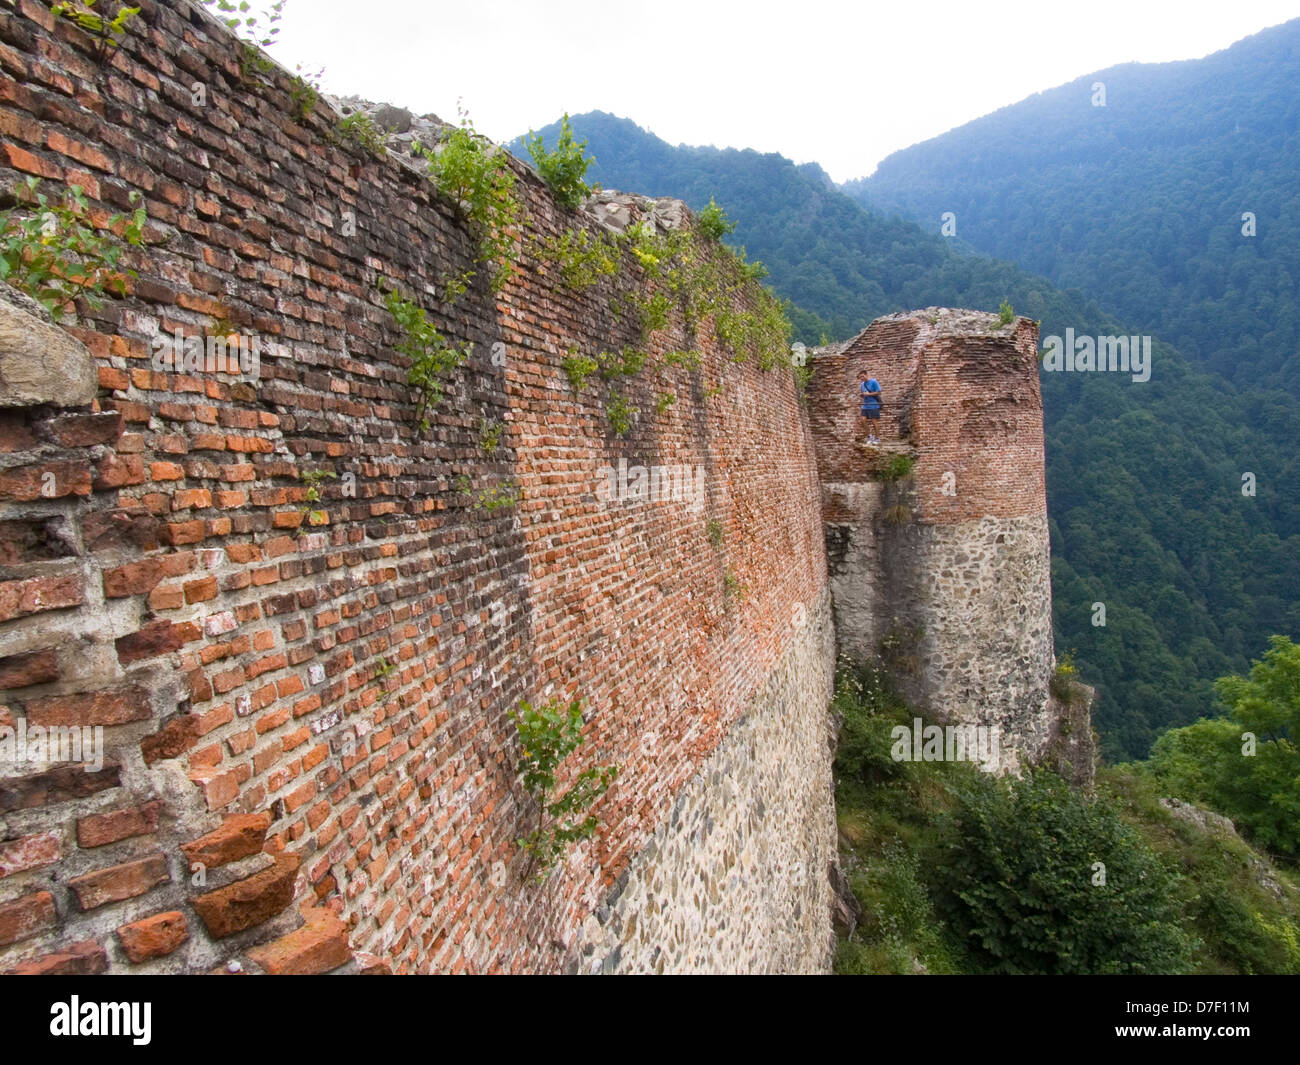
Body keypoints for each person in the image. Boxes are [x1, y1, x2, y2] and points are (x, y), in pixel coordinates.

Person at [859, 371, 882, 444]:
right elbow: (864, 394)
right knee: (863, 420)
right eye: (860, 377)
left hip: (873, 404)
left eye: (862, 376)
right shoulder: (862, 384)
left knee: (874, 421)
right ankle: (869, 436)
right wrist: (862, 395)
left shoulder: (874, 381)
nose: (861, 378)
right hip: (865, 405)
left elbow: (878, 392)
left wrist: (868, 394)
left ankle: (877, 438)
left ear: (866, 375)